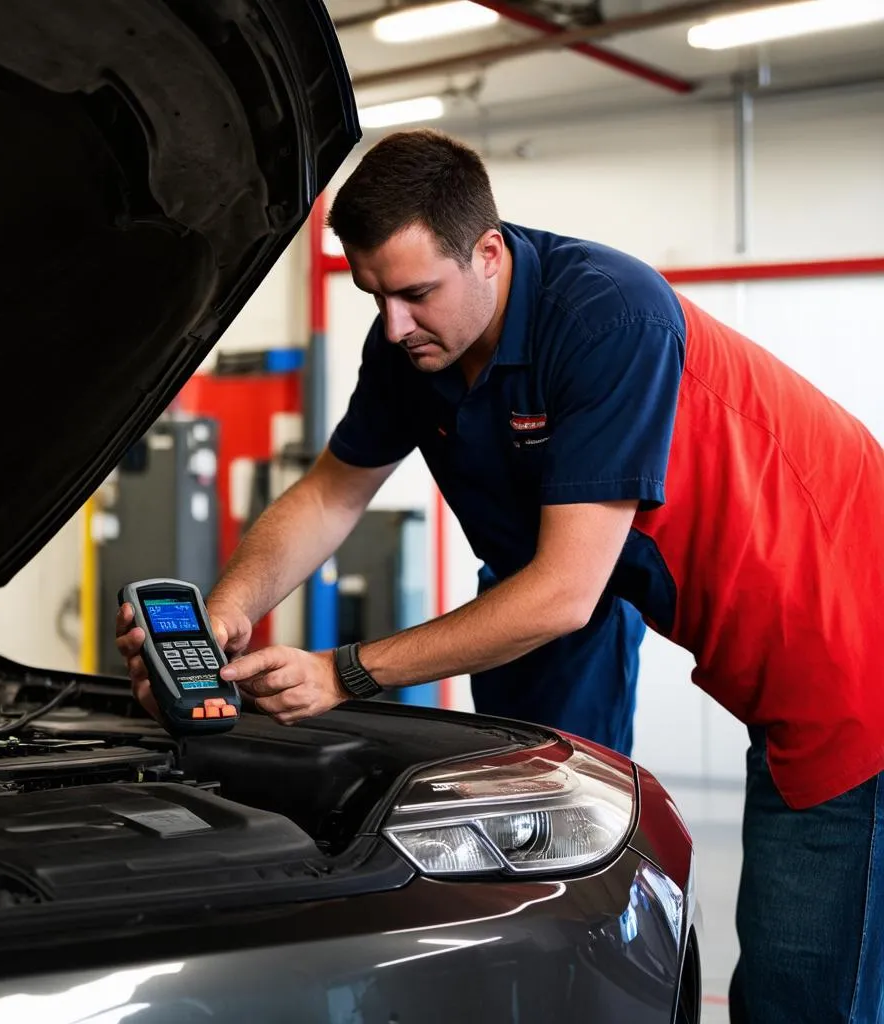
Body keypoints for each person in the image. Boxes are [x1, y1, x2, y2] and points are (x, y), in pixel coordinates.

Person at [116, 128, 884, 1023]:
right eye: (374, 296)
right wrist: (230, 608)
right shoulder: (414, 346)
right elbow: (331, 495)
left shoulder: (608, 318)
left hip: (844, 623)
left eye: (415, 293)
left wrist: (343, 674)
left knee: (801, 982)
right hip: (599, 590)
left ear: (488, 252)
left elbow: (564, 594)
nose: (395, 325)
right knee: (536, 836)